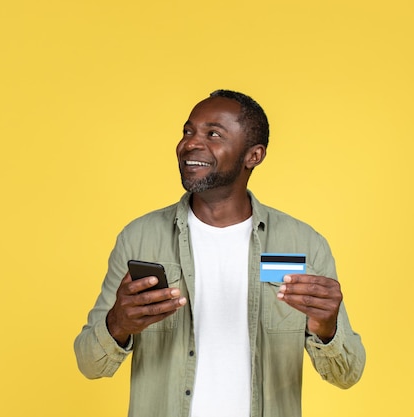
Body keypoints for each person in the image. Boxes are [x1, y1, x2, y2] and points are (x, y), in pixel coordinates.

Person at [74, 90, 365, 417]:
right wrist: (118, 323)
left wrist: (327, 330)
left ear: (253, 156)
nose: (190, 144)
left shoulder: (303, 244)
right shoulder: (139, 238)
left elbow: (347, 374)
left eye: (213, 134)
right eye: (187, 131)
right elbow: (89, 363)